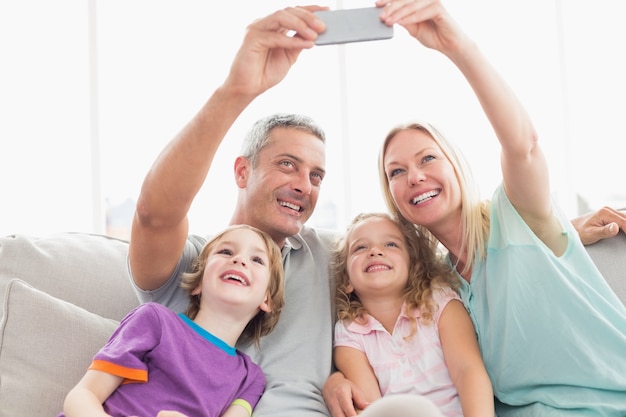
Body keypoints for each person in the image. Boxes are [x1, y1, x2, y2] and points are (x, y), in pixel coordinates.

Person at [127, 3, 623, 417]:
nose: (304, 186)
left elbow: (410, 245)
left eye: (317, 175)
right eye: (287, 165)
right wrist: (235, 91)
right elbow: (155, 215)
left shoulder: (324, 252)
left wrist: (554, 232)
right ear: (242, 172)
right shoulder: (200, 264)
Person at [325, 1, 626, 416]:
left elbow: (524, 145)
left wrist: (457, 46)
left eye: (428, 159)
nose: (414, 176)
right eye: (397, 171)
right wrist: (335, 377)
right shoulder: (440, 284)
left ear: (457, 166)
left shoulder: (515, 217)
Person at [60, 224, 285, 417]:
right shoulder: (155, 321)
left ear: (267, 299)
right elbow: (81, 397)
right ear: (198, 282)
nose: (239, 260)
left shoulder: (251, 379)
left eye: (257, 259)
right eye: (226, 252)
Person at [331, 212, 494, 416]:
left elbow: (468, 371)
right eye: (360, 247)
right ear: (347, 280)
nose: (375, 251)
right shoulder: (349, 332)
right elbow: (371, 407)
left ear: (412, 266)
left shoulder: (439, 302)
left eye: (391, 244)